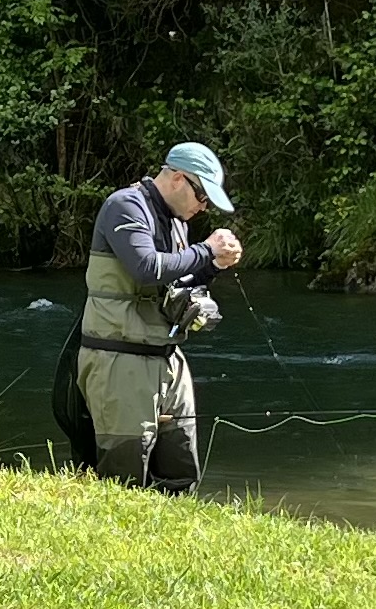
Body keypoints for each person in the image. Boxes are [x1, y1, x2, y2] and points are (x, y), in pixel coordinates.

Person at [52, 141, 242, 495]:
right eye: (202, 197)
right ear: (177, 179)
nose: (203, 208)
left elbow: (176, 282)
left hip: (167, 360)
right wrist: (206, 250)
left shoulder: (177, 223)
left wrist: (213, 266)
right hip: (119, 362)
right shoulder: (125, 206)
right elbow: (146, 268)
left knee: (180, 477)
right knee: (122, 482)